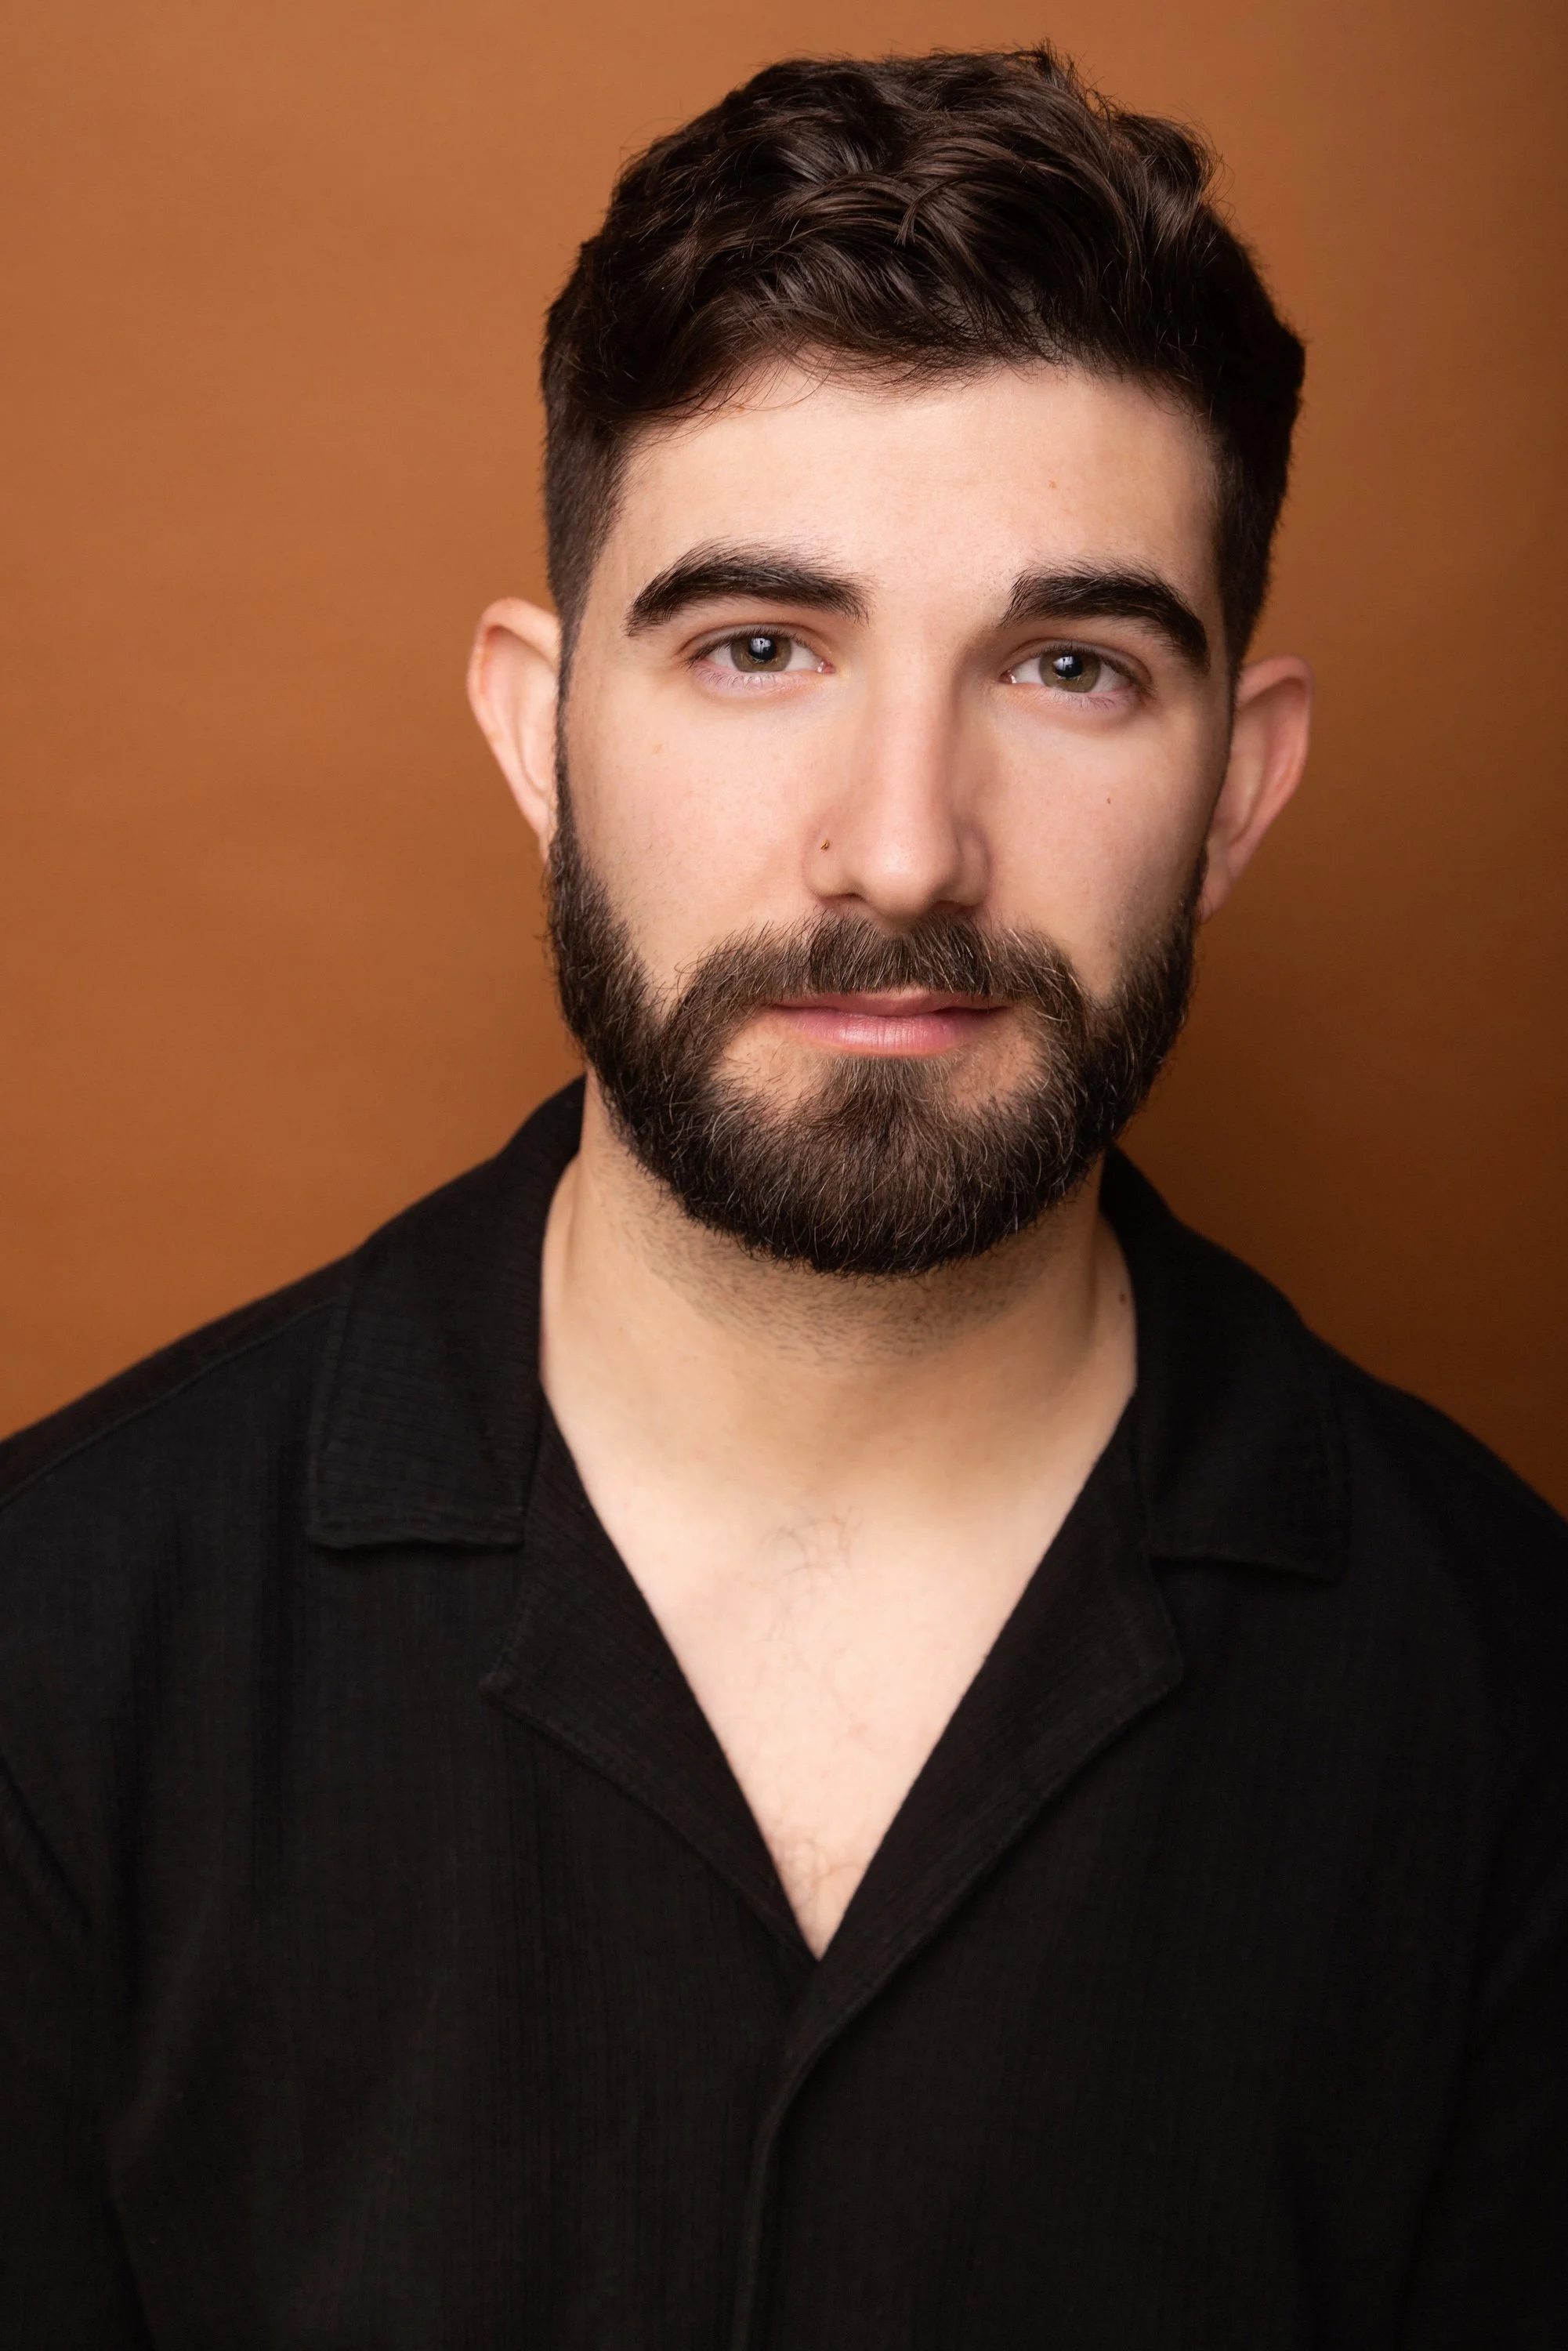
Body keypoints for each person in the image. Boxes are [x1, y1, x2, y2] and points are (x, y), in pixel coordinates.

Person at [0, 45, 1562, 2348]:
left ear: (1240, 788)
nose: (904, 848)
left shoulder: (1514, 1708)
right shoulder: (51, 1653)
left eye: (1069, 668)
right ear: (540, 734)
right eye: (758, 649)